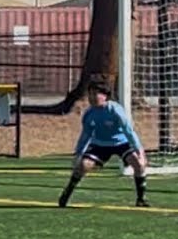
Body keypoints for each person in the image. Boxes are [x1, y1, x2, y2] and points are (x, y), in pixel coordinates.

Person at [58, 79, 150, 208]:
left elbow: (129, 131)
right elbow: (86, 135)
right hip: (100, 145)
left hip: (121, 143)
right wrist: (78, 153)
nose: (91, 98)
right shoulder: (89, 113)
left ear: (105, 96)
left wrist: (139, 151)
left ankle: (141, 199)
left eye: (95, 94)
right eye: (90, 94)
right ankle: (67, 193)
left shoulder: (116, 110)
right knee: (83, 166)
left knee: (139, 164)